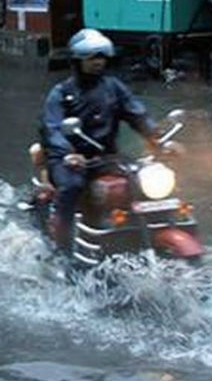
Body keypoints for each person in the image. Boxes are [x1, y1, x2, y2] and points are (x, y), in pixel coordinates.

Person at [39, 29, 159, 256]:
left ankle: (144, 234)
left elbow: (136, 112)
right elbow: (52, 128)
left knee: (143, 180)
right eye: (92, 57)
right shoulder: (61, 93)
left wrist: (157, 137)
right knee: (71, 186)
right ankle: (62, 247)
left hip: (105, 157)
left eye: (102, 57)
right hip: (70, 160)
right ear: (77, 60)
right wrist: (68, 152)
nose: (98, 62)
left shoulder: (113, 87)